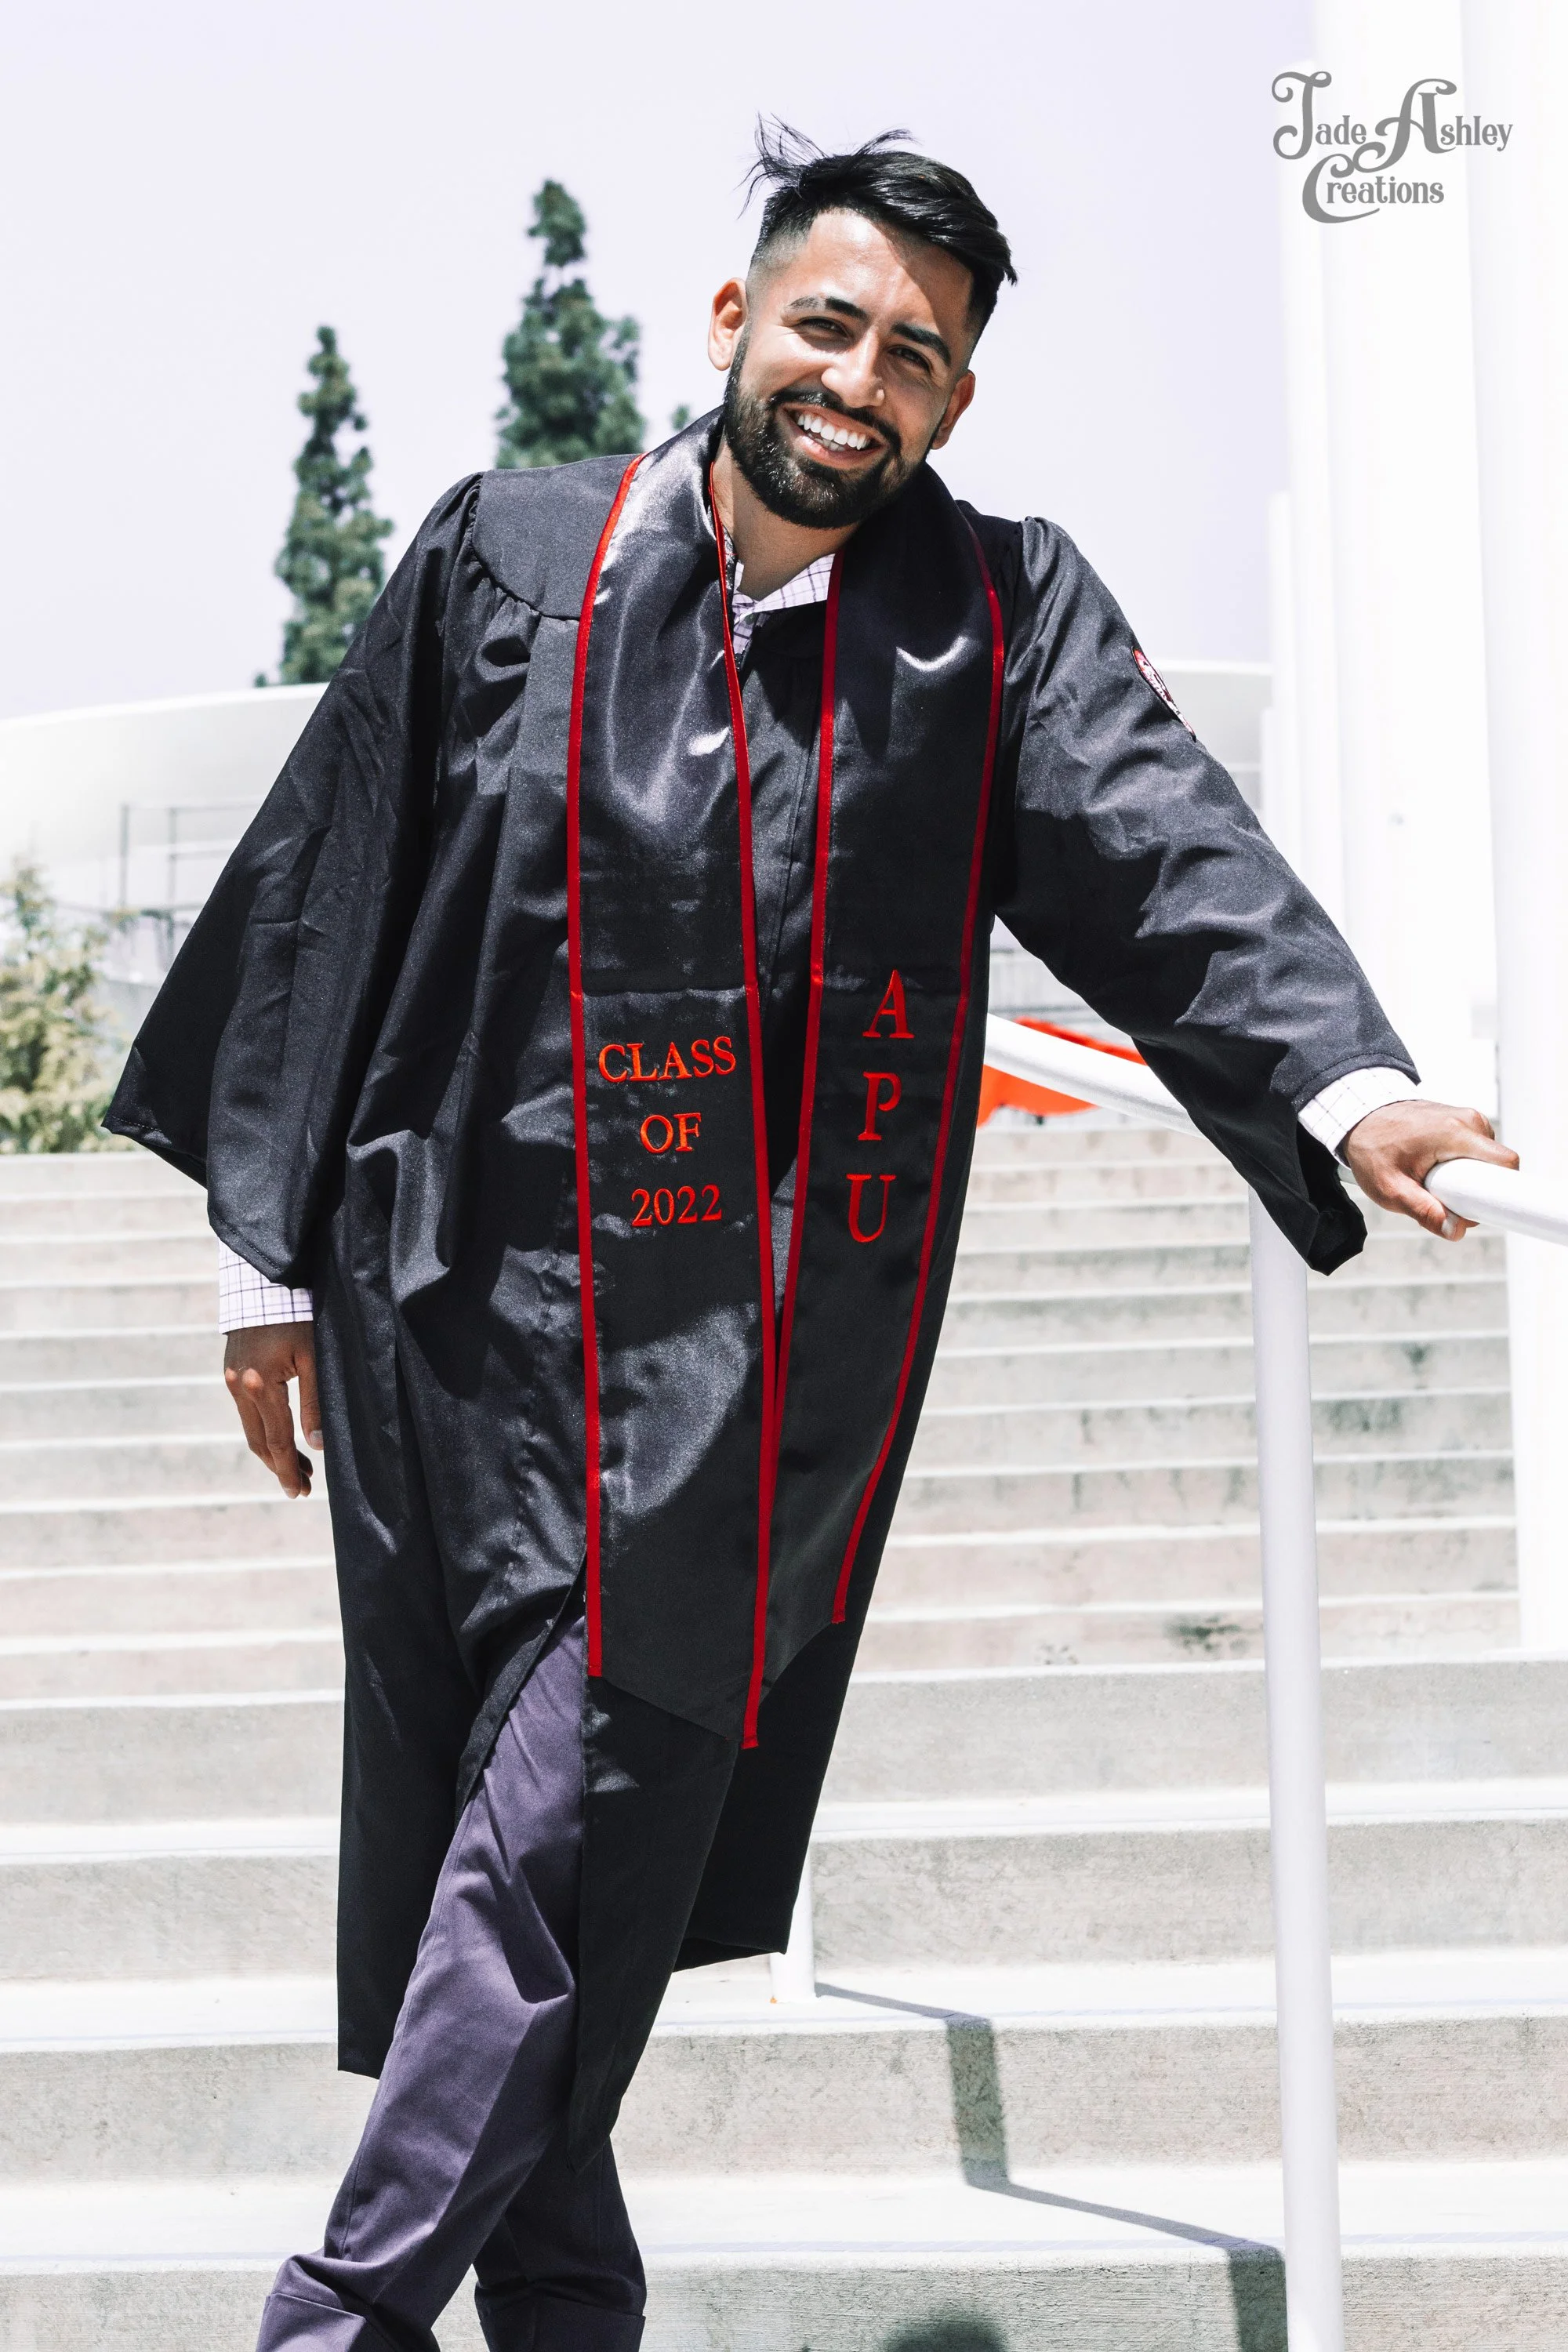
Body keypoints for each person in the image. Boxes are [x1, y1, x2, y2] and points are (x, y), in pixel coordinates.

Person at [107, 125, 1516, 2352]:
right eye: (836, 324)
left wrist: (1345, 1082)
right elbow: (333, 870)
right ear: (737, 325)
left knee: (556, 1860)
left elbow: (1166, 857)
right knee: (528, 1892)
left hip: (748, 1384)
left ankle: (332, 2321)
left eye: (924, 359)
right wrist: (263, 1259)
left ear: (957, 404)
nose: (866, 380)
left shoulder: (996, 620)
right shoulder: (513, 553)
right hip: (459, 1330)